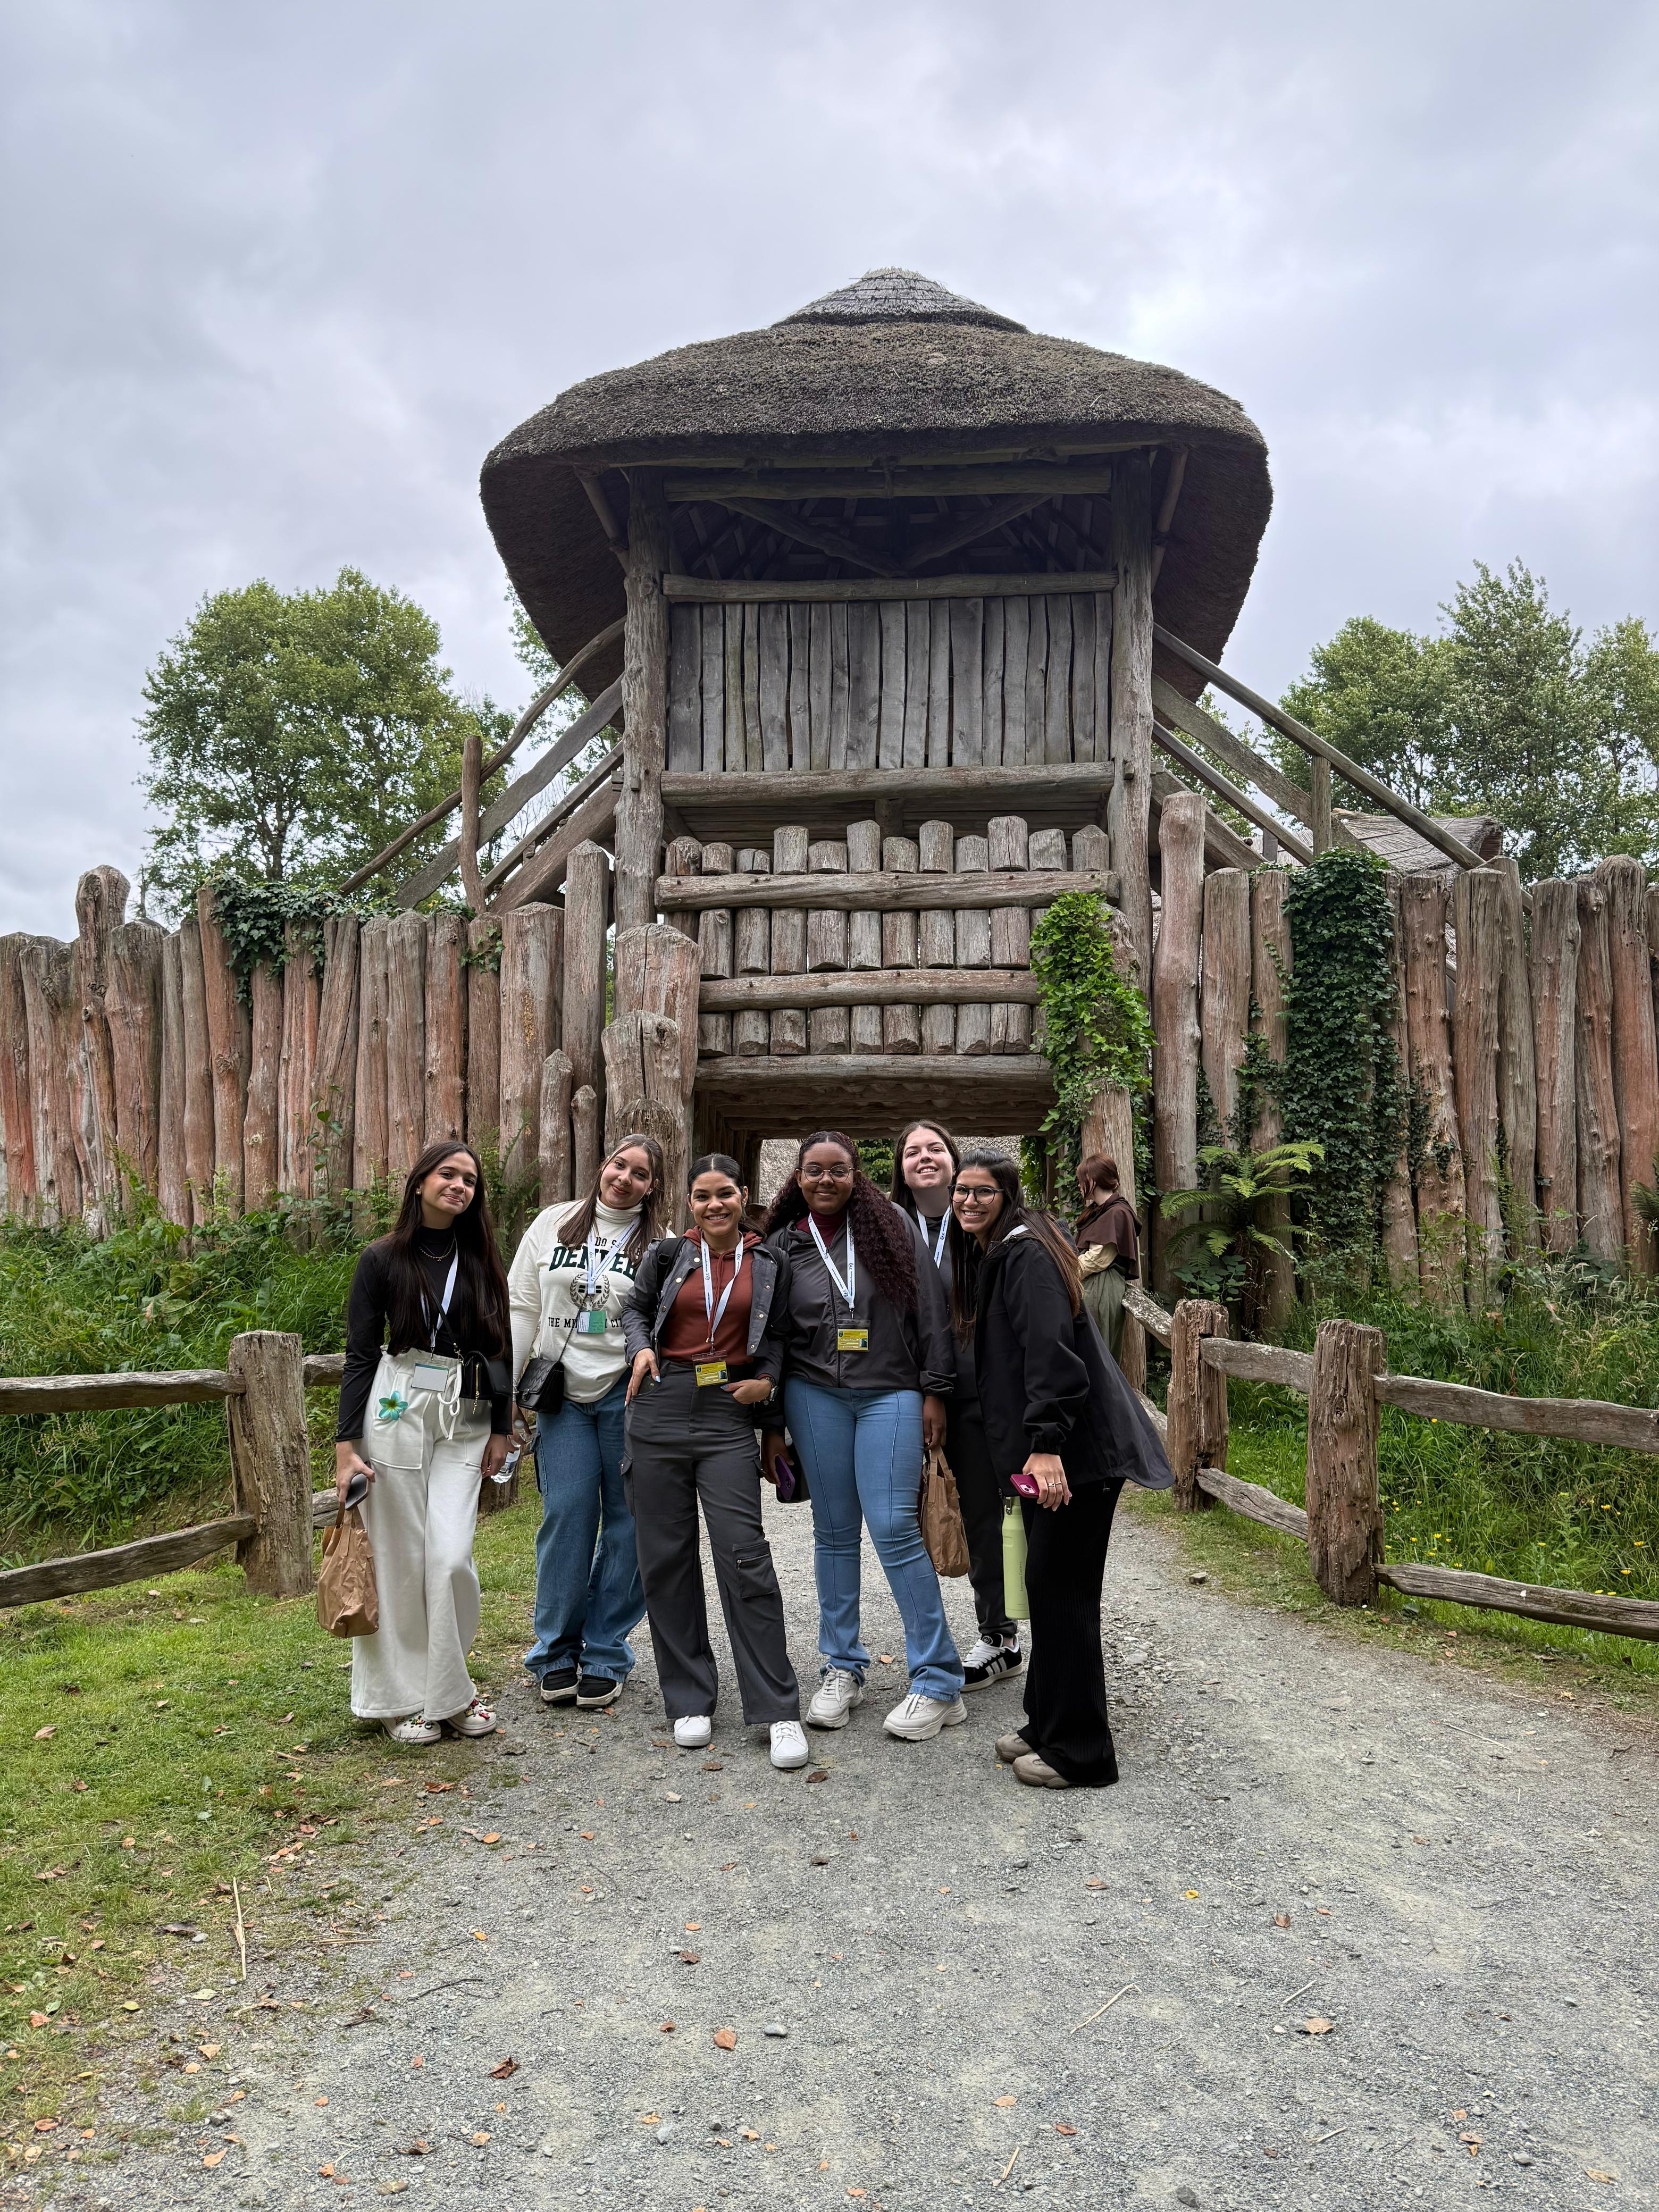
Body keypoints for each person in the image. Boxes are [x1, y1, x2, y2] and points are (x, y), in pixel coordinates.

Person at [949, 1149, 1173, 1789]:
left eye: (983, 1191)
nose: (968, 1201)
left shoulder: (1025, 1255)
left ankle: (1081, 1750)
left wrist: (1045, 1444)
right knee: (1046, 1585)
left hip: (1075, 1455)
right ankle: (1045, 1722)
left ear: (1008, 1195)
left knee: (1064, 1594)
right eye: (962, 1190)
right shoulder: (1008, 1248)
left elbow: (1051, 1351)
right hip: (1056, 1454)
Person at [761, 1130, 965, 1742]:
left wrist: (935, 1389)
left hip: (890, 1390)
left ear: (857, 1175)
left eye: (839, 1169)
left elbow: (930, 1308)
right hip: (813, 1395)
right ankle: (841, 1666)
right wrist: (772, 1424)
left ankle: (938, 1678)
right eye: (814, 1170)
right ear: (798, 1176)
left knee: (895, 1526)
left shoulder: (890, 1225)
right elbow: (771, 1338)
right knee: (832, 1531)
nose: (826, 1180)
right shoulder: (783, 1242)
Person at [623, 1155, 808, 1771]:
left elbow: (778, 1334)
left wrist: (768, 1382)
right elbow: (633, 1310)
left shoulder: (769, 1261)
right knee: (665, 1557)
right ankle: (689, 1698)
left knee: (744, 1552)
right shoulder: (666, 1254)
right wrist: (641, 1348)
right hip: (660, 1405)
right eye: (702, 1195)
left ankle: (777, 1707)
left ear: (743, 1194)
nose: (714, 1204)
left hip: (728, 1410)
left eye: (724, 1193)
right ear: (690, 1202)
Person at [336, 1142, 513, 1746]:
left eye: (470, 1180)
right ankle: (399, 1699)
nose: (460, 1185)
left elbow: (499, 1345)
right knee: (400, 1557)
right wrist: (346, 1445)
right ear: (419, 1182)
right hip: (397, 1405)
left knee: (451, 1557)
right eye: (448, 1174)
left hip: (465, 1412)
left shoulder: (480, 1256)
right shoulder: (381, 1258)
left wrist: (501, 1426)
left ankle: (449, 1691)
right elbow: (361, 1355)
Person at [508, 1135, 664, 1712]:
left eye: (640, 1173)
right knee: (568, 1513)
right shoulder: (552, 1223)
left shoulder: (661, 1242)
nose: (625, 1178)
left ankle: (604, 1650)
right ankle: (555, 1650)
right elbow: (522, 1305)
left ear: (652, 1186)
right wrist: (507, 1390)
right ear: (603, 1165)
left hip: (627, 1395)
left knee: (629, 1524)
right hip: (562, 1394)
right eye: (620, 1165)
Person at [890, 1120, 1022, 1690]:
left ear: (954, 1159)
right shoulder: (888, 1226)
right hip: (911, 1391)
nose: (924, 1157)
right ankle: (953, 1637)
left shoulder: (976, 1221)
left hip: (980, 1390)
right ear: (899, 1167)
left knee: (997, 1512)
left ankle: (1002, 1634)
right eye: (912, 1151)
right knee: (933, 1515)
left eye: (935, 1148)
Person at [1075, 1153, 1141, 1362]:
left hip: (1101, 1288)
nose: (1079, 1185)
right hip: (1091, 1285)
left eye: (1081, 1180)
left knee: (1097, 1355)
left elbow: (1098, 1259)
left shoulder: (1117, 1213)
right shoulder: (1098, 1211)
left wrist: (1064, 1271)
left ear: (1092, 1180)